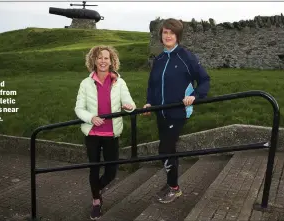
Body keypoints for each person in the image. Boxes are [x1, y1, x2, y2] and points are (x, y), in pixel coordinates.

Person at [142, 18, 211, 204]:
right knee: (167, 149)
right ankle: (171, 183)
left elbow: (204, 79)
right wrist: (149, 102)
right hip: (160, 112)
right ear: (161, 35)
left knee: (165, 148)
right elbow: (152, 85)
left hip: (178, 112)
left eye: (172, 33)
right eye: (165, 32)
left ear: (178, 36)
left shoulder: (185, 56)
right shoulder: (159, 59)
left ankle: (174, 188)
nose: (168, 36)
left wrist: (195, 95)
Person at [74, 45, 136, 220]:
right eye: (99, 57)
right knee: (94, 169)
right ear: (93, 60)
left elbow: (129, 102)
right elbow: (79, 108)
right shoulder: (85, 83)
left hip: (111, 133)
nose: (102, 61)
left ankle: (97, 188)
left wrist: (129, 107)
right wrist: (90, 117)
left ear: (112, 61)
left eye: (106, 58)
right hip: (92, 133)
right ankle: (96, 201)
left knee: (111, 172)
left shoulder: (119, 82)